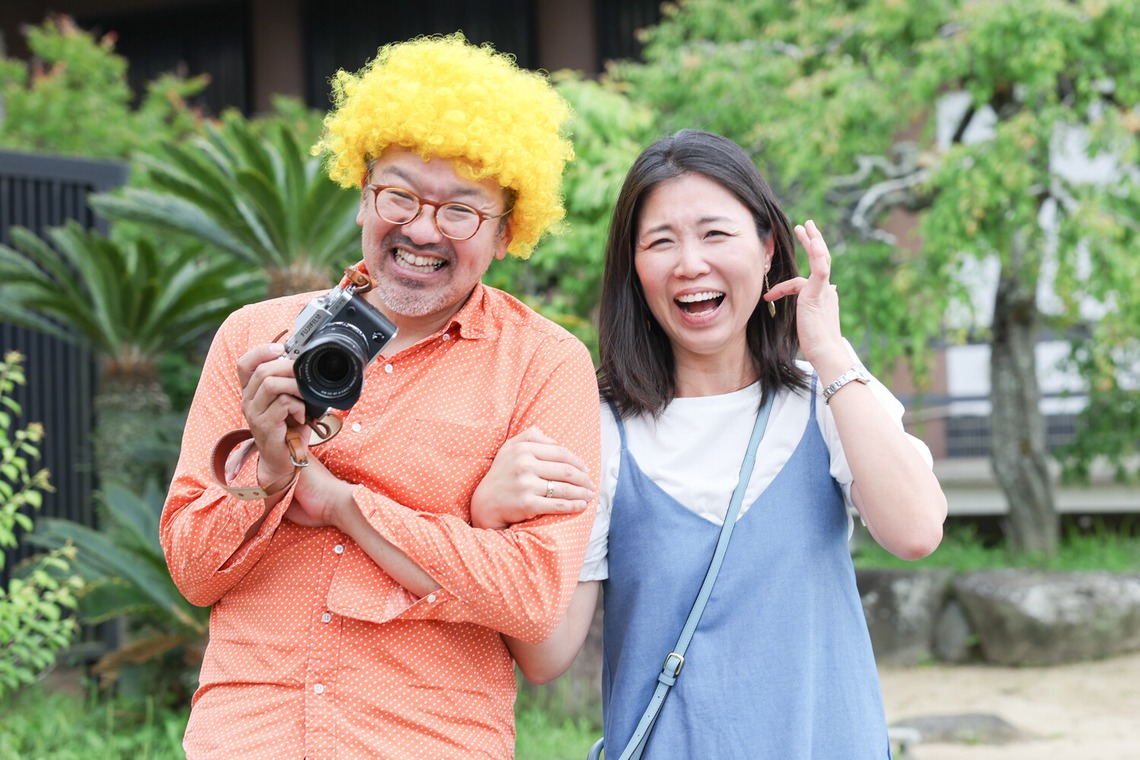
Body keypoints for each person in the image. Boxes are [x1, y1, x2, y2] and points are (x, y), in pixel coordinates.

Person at [160, 34, 602, 759]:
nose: (422, 228)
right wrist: (268, 475)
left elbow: (533, 596)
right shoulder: (259, 339)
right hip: (247, 739)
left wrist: (344, 505)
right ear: (364, 194)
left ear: (505, 230)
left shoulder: (544, 365)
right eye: (399, 194)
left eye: (461, 210)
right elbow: (191, 570)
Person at [474, 129, 948, 758]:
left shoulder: (828, 395)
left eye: (715, 233)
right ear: (634, 270)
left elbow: (916, 531)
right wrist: (492, 523)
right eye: (660, 241)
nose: (689, 263)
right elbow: (548, 656)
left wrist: (828, 350)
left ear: (767, 246)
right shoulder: (598, 426)